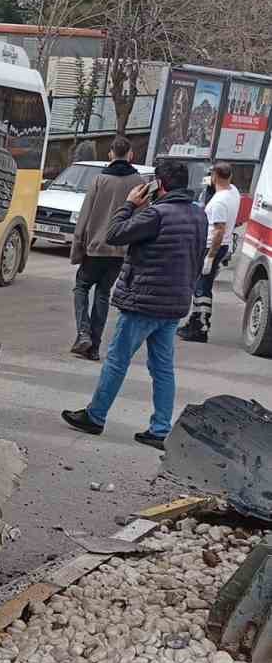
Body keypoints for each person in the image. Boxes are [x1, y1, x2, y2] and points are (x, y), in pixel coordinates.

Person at [61, 159, 208, 450]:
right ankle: (160, 428)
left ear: (160, 185)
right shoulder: (198, 215)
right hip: (174, 303)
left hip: (144, 302)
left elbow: (114, 234)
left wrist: (129, 204)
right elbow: (198, 257)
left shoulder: (156, 214)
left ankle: (96, 416)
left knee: (117, 360)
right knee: (163, 368)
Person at [69, 135, 139, 361]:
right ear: (130, 155)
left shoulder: (99, 180)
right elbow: (140, 219)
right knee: (103, 292)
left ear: (110, 154)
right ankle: (94, 347)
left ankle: (83, 333)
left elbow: (85, 217)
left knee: (81, 286)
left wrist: (77, 247)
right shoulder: (138, 183)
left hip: (95, 247)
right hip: (120, 250)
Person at [178, 160, 242, 343]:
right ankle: (195, 321)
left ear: (214, 176)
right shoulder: (233, 191)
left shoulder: (219, 203)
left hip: (212, 247)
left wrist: (210, 257)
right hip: (222, 246)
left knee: (201, 288)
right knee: (201, 286)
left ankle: (200, 326)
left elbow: (219, 230)